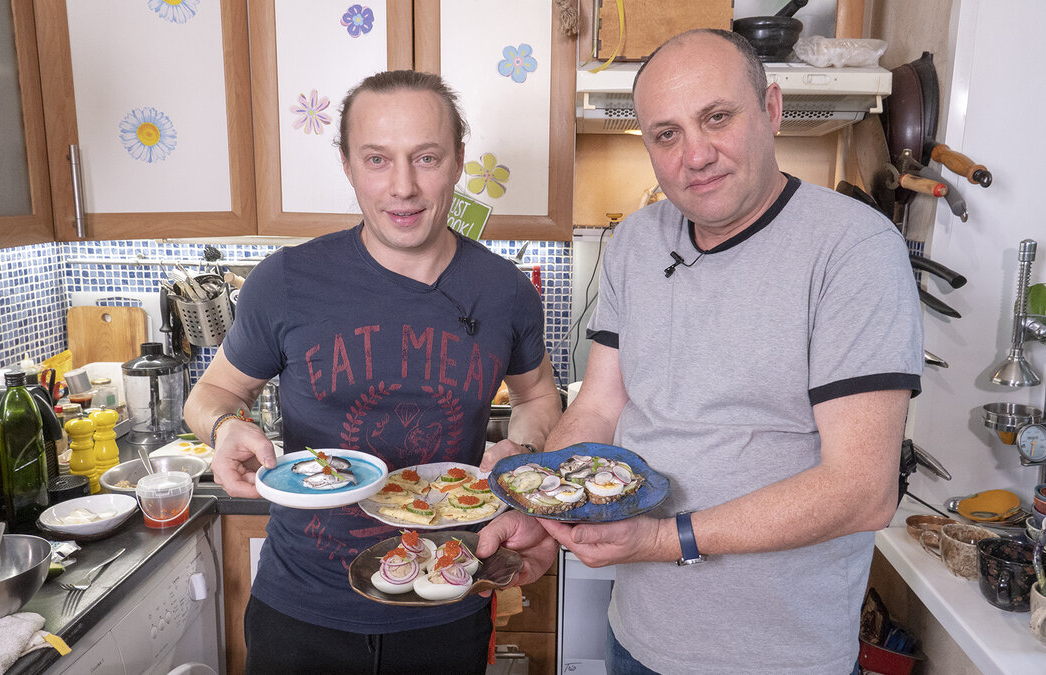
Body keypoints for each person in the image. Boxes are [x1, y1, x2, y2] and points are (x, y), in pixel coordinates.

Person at [491, 29, 923, 674]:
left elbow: (862, 491)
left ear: (771, 109)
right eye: (666, 134)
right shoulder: (635, 242)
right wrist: (545, 504)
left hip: (778, 659)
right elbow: (600, 406)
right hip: (636, 637)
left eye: (717, 117)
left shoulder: (853, 248)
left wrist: (664, 539)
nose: (695, 155)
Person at [183, 70, 561, 675]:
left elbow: (538, 396)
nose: (403, 187)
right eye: (377, 159)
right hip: (301, 608)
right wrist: (225, 427)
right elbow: (214, 391)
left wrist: (524, 449)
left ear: (458, 161)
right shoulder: (286, 281)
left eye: (426, 157)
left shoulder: (504, 290)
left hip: (447, 596)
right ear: (348, 166)